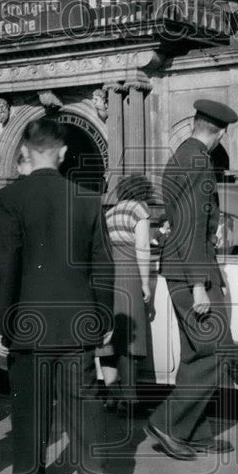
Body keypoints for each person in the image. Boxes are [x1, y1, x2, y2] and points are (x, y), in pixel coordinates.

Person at [0, 117, 115, 474]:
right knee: (83, 403)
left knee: (29, 403)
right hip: (77, 321)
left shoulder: (10, 199)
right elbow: (103, 266)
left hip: (28, 322)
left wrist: (1, 324)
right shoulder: (87, 198)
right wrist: (103, 318)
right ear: (62, 153)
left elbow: (7, 268)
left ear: (25, 151)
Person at [145, 99, 238, 460]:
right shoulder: (198, 161)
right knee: (215, 347)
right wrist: (199, 283)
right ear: (220, 132)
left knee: (194, 352)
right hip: (190, 271)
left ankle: (193, 431)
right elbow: (190, 226)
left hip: (184, 267)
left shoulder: (185, 155)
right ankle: (169, 423)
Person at [98, 174, 154, 413]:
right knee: (130, 338)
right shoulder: (139, 209)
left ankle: (112, 396)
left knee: (109, 339)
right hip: (129, 270)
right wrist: (145, 283)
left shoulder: (109, 212)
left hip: (107, 274)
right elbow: (142, 246)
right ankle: (129, 399)